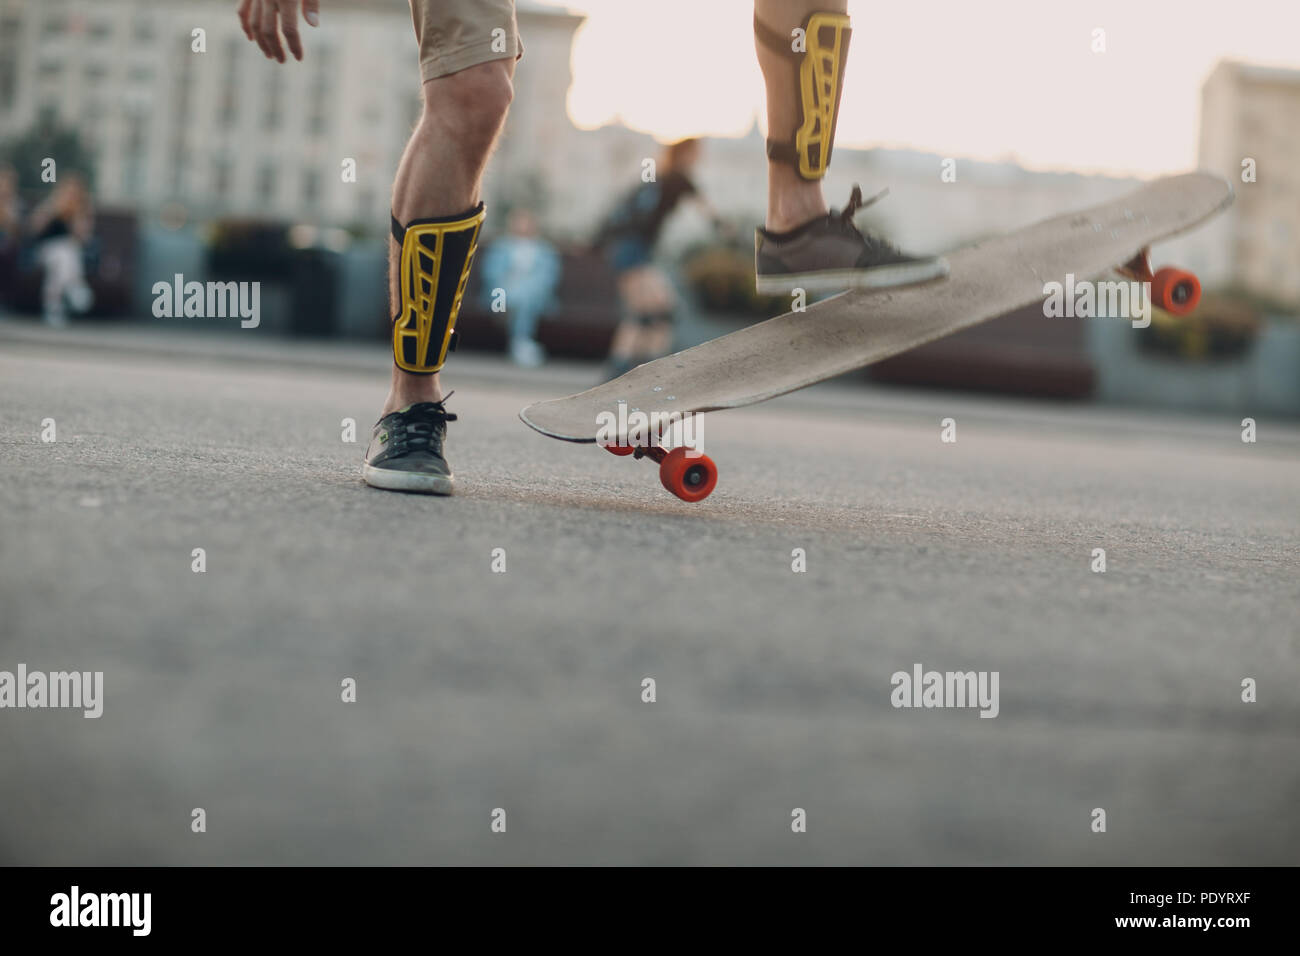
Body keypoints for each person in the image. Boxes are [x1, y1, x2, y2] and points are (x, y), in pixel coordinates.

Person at [236, 0, 945, 496]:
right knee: (475, 90)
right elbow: (637, 214)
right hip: (627, 254)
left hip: (632, 250)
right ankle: (410, 402)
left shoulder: (675, 186)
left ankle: (797, 218)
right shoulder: (664, 185)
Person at [595, 138, 715, 381]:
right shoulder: (679, 178)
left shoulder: (657, 178)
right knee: (657, 313)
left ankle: (631, 370)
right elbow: (710, 214)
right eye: (696, 153)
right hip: (633, 251)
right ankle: (638, 372)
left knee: (650, 315)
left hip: (626, 250)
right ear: (687, 153)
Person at [477, 208, 561, 368]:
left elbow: (548, 278)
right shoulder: (501, 246)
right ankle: (522, 344)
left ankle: (518, 341)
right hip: (499, 296)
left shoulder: (544, 250)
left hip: (535, 296)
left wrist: (526, 287)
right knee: (514, 296)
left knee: (525, 296)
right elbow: (492, 275)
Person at [26, 173, 95, 327]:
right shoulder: (50, 205)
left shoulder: (82, 211)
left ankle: (54, 308)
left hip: (70, 255)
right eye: (68, 191)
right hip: (45, 252)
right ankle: (75, 286)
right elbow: (34, 229)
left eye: (75, 193)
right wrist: (53, 211)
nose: (71, 196)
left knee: (64, 257)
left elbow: (84, 240)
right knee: (64, 253)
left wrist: (77, 217)